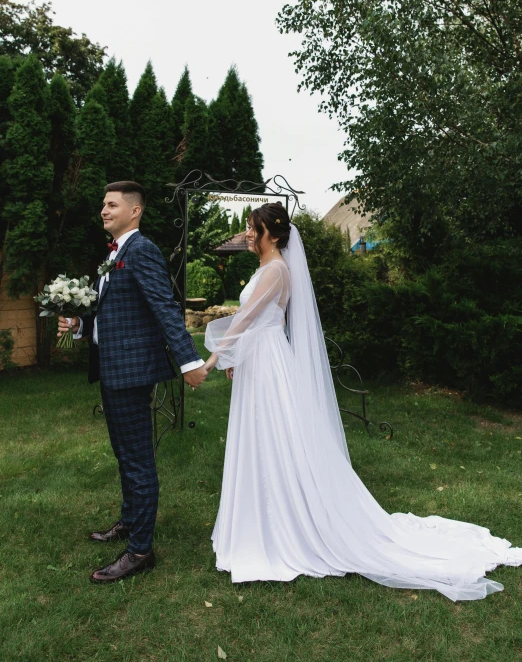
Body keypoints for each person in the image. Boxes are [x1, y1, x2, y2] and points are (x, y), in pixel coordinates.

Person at [203, 202, 521, 601]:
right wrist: (241, 356)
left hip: (269, 365)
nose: (248, 234)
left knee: (276, 437)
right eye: (249, 228)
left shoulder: (277, 270)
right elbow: (269, 321)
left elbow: (247, 318)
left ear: (273, 233)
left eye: (252, 228)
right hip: (262, 360)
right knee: (263, 437)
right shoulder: (269, 269)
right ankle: (259, 518)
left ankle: (283, 522)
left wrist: (216, 357)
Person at [58, 181, 208, 583]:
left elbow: (164, 308)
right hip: (111, 370)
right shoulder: (113, 255)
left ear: (134, 211)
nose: (103, 211)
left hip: (131, 372)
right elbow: (112, 312)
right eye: (102, 204)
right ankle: (128, 521)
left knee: (139, 460)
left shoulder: (141, 251)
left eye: (111, 205)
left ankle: (141, 550)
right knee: (124, 454)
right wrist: (78, 321)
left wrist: (188, 360)